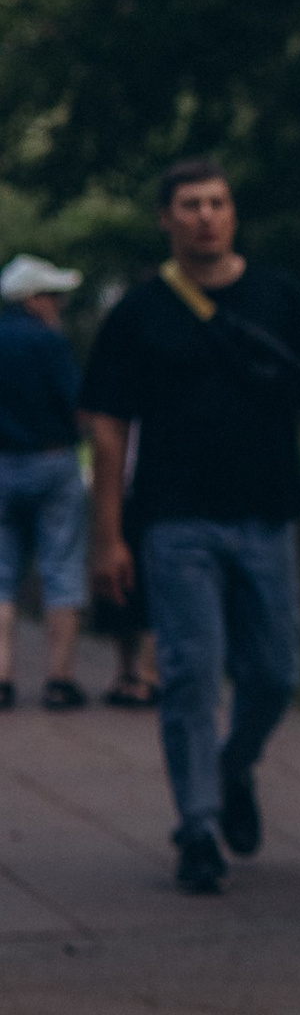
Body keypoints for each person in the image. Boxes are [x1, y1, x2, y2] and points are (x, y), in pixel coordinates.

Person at [81, 160, 300, 896]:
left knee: (275, 674)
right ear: (166, 219)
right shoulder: (140, 315)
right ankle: (198, 828)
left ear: (233, 214)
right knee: (187, 674)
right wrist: (108, 534)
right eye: (190, 205)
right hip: (175, 522)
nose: (206, 215)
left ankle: (234, 764)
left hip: (266, 514)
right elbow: (109, 428)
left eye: (217, 203)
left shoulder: (281, 297)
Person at [0, 252, 94, 710]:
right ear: (33, 299)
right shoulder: (49, 344)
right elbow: (76, 403)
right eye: (53, 296)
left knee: (2, 574)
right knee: (62, 566)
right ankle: (60, 677)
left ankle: (2, 672)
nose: (57, 305)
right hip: (52, 462)